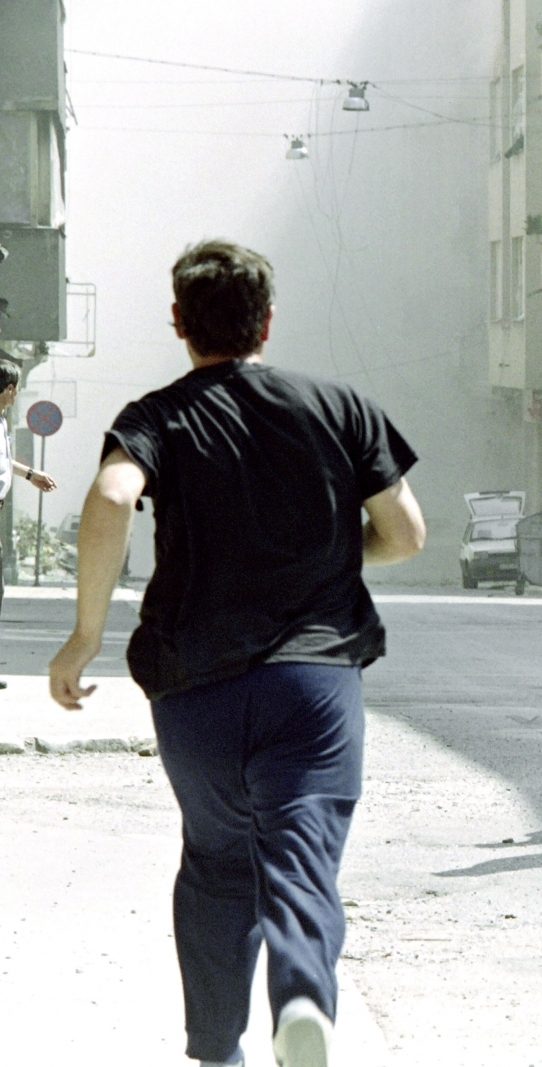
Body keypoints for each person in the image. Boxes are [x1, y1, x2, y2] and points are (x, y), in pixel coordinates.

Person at [47, 240, 427, 1067]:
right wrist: (324, 550)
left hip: (196, 688)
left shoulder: (157, 416)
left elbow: (112, 497)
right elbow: (406, 532)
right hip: (314, 681)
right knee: (300, 858)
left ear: (180, 322)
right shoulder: (340, 406)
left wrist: (86, 636)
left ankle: (218, 1048)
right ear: (268, 320)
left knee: (218, 862)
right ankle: (301, 1002)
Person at [0, 360, 59, 685]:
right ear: (9, 389)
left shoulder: (2, 421)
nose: (17, 394)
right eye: (16, 388)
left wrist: (31, 474)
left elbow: (2, 461)